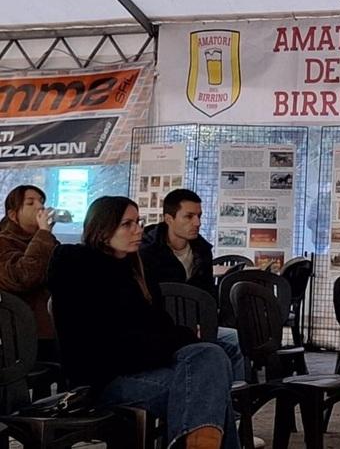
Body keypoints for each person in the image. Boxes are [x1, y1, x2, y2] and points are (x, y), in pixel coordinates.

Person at [48, 196, 238, 449]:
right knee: (207, 388)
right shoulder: (78, 265)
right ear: (103, 230)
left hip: (146, 368)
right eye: (127, 224)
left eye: (137, 222)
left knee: (209, 355)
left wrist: (177, 340)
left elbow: (159, 327)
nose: (138, 229)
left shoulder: (136, 269)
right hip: (105, 380)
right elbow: (116, 345)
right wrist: (172, 342)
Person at [140, 189, 246, 382]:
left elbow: (207, 294)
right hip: (161, 328)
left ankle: (234, 402)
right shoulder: (146, 253)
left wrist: (204, 323)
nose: (197, 222)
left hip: (198, 324)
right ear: (169, 219)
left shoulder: (202, 250)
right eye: (189, 216)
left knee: (234, 339)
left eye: (199, 216)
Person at [0, 185, 59, 361]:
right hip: (22, 335)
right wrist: (43, 233)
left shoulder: (47, 240)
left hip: (54, 329)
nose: (40, 207)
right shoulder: (3, 243)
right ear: (13, 215)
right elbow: (24, 276)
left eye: (41, 201)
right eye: (30, 202)